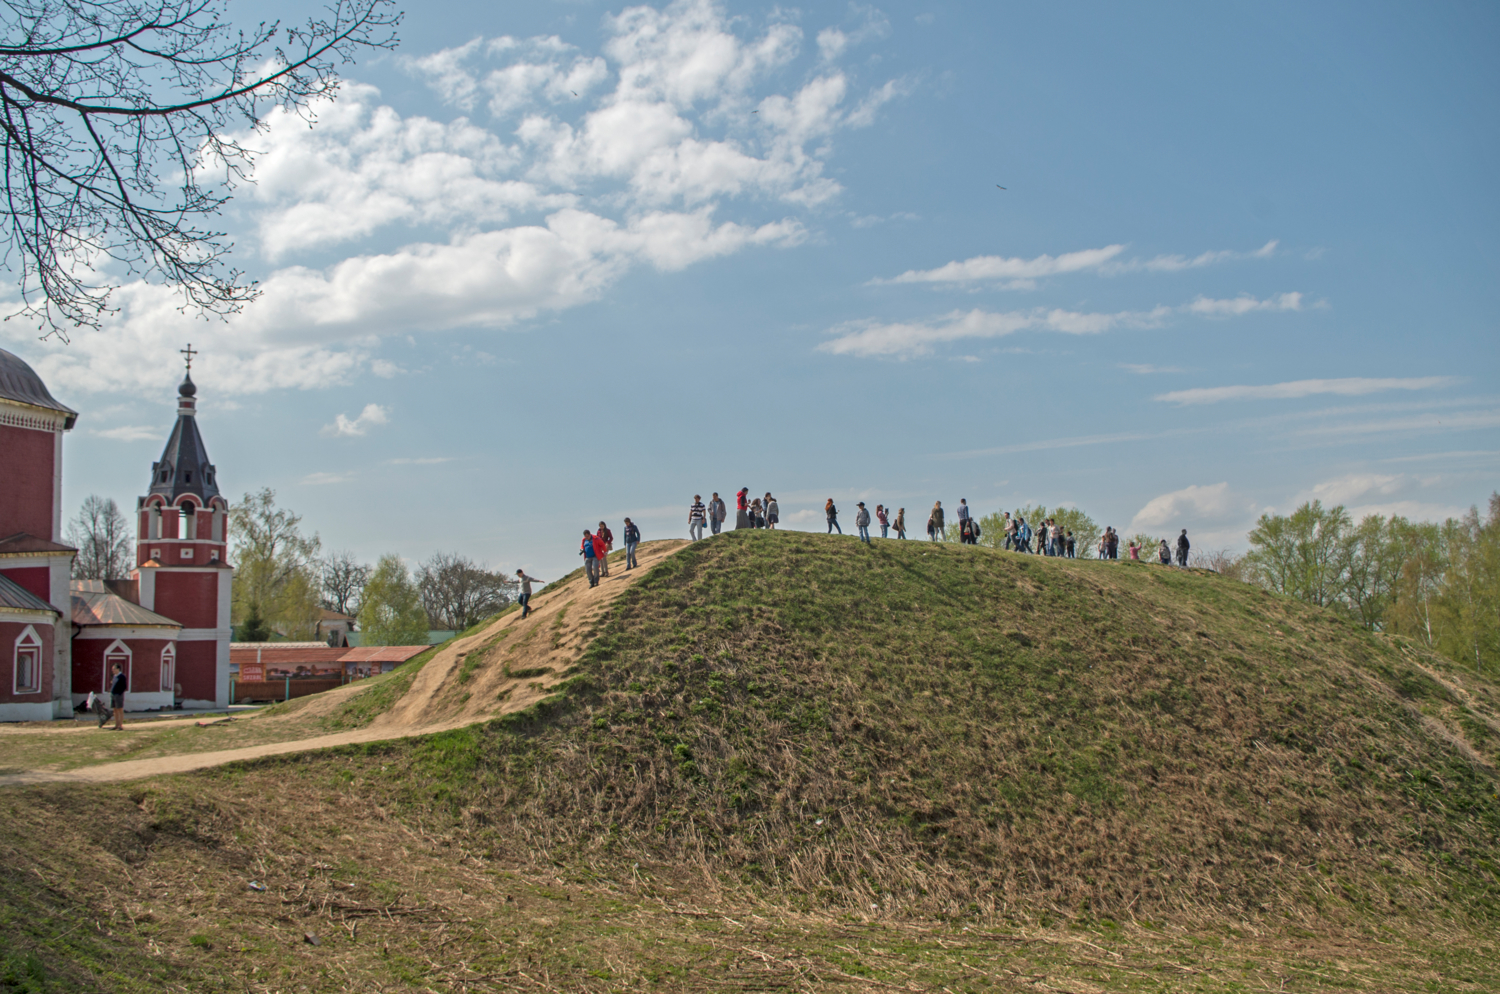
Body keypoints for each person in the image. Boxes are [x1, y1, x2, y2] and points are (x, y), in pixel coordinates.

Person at [108, 660, 127, 730]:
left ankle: (120, 725)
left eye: (114, 669)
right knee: (115, 710)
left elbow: (124, 686)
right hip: (113, 695)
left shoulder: (122, 676)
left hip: (118, 695)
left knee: (120, 709)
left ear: (118, 669)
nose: (113, 670)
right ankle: (116, 725)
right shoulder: (114, 676)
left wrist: (119, 693)